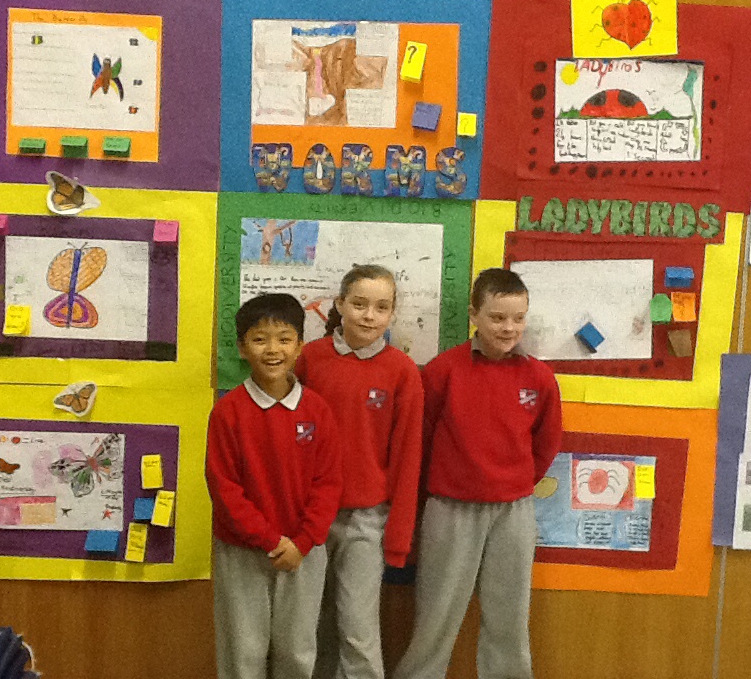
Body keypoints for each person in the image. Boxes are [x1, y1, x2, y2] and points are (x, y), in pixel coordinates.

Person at [393, 268, 563, 679]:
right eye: (497, 317)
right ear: (474, 315)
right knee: (436, 614)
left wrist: (514, 483)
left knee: (509, 617)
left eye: (518, 318)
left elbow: (546, 443)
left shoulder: (539, 378)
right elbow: (421, 440)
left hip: (513, 511)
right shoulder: (443, 371)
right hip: (450, 508)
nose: (508, 328)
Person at [296, 265, 423, 679]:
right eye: (360, 304)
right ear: (340, 304)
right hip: (308, 514)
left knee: (358, 629)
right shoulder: (310, 359)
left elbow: (407, 457)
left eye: (382, 307)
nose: (369, 316)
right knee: (306, 629)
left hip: (366, 520)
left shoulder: (402, 371)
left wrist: (399, 538)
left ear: (392, 313)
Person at [206, 293, 342, 679]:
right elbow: (225, 488)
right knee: (243, 652)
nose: (272, 350)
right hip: (242, 551)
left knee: (297, 652)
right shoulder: (228, 412)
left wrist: (302, 542)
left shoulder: (317, 410)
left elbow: (329, 483)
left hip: (303, 550)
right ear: (242, 348)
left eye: (284, 339)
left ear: (299, 346)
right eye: (259, 339)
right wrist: (268, 539)